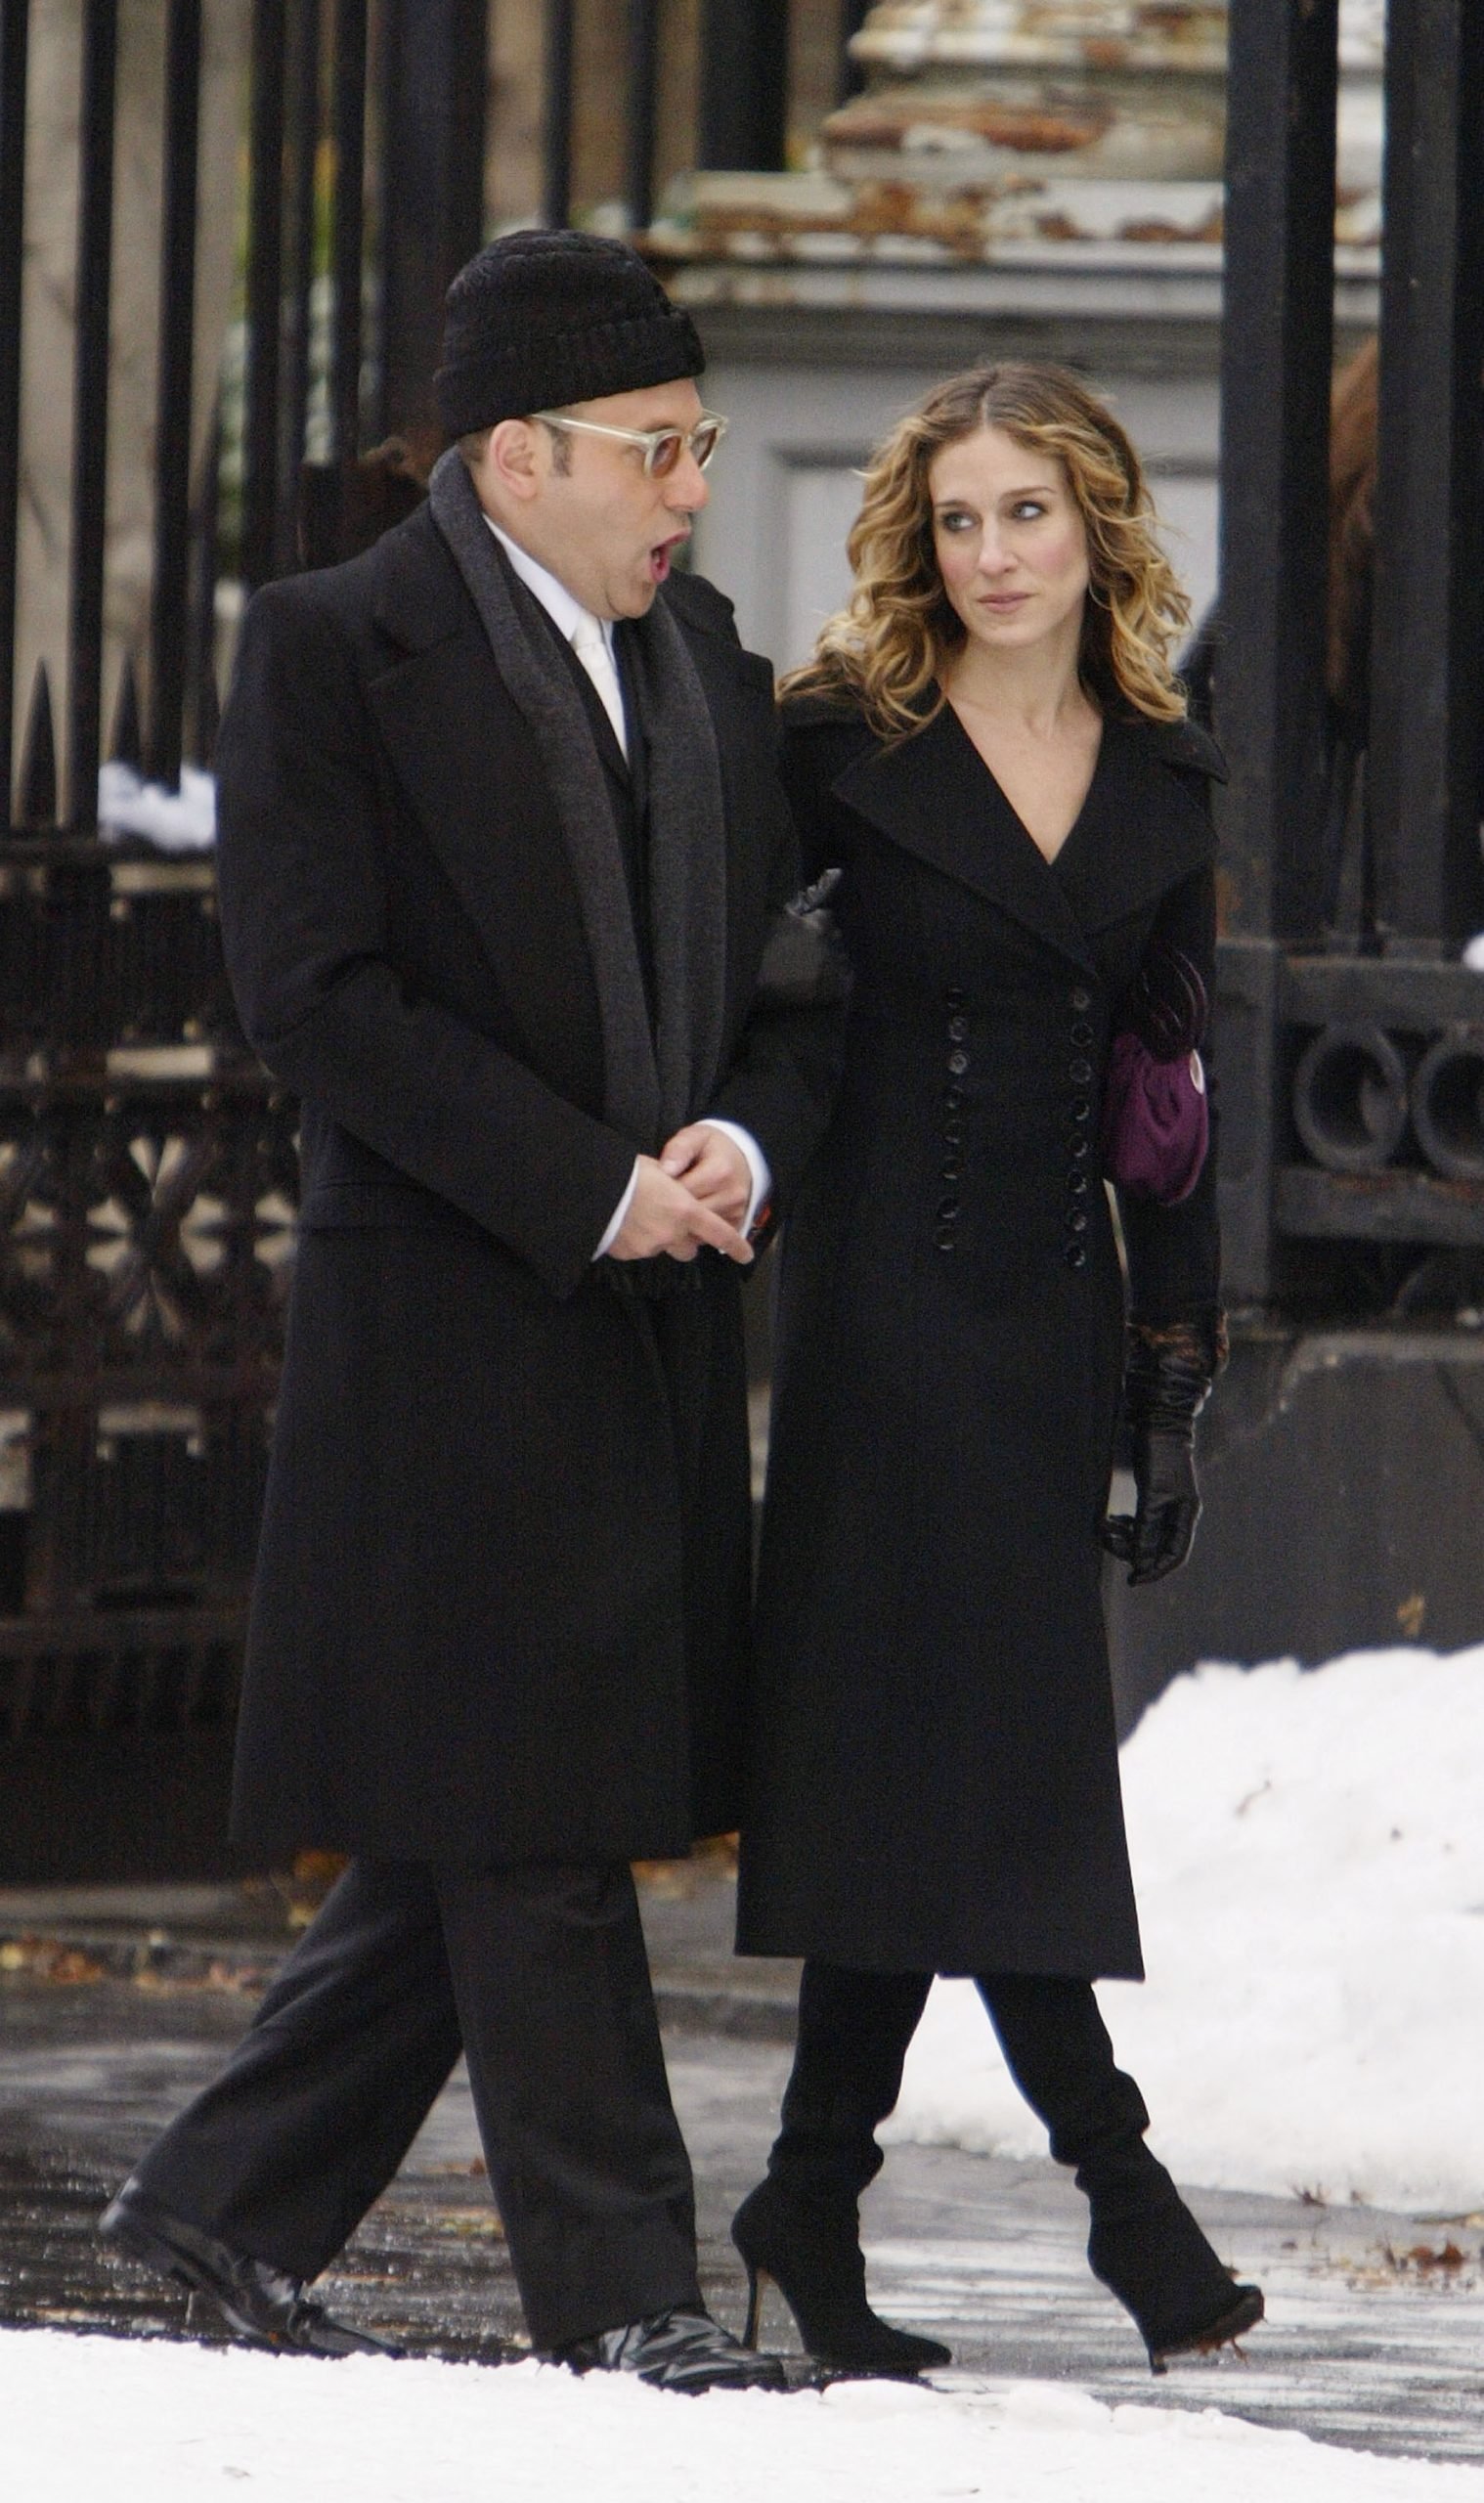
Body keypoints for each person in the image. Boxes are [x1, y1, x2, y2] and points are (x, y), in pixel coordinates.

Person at [99, 231, 843, 2395]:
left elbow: (801, 974)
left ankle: (220, 2201)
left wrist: (739, 1145)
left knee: (477, 1806)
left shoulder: (694, 649)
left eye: (701, 446)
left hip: (653, 1318)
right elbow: (312, 997)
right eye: (659, 450)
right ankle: (627, 2298)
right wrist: (582, 1180)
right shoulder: (331, 649)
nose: (694, 490)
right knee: (536, 1819)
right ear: (518, 455)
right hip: (449, 1320)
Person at [730, 363, 1264, 2379]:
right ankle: (1135, 2212)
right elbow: (736, 989)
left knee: (939, 1770)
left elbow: (1172, 1107)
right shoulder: (836, 751)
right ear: (920, 541)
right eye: (959, 519)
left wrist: (1169, 1380)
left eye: (1026, 512)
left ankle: (807, 2184)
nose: (992, 553)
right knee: (980, 1769)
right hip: (871, 1316)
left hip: (1045, 1323)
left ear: (1096, 526)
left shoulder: (1167, 782)